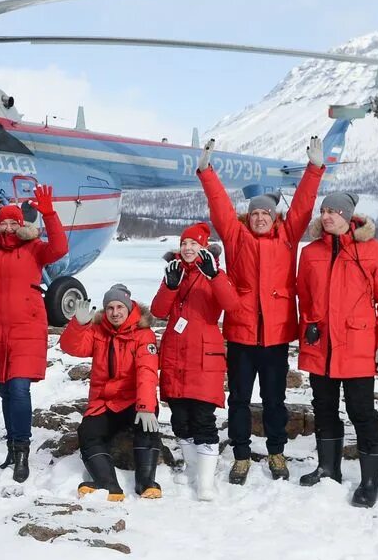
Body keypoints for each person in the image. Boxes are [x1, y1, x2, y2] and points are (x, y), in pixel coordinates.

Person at [197, 136, 325, 484]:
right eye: (253, 213)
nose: (258, 219)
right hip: (240, 332)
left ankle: (276, 451)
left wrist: (314, 169)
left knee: (274, 398)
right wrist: (206, 172)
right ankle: (240, 453)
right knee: (239, 398)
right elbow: (220, 206)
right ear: (247, 216)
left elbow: (302, 206)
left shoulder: (287, 237)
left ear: (274, 216)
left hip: (277, 334)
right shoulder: (235, 238)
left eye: (264, 214)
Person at [294, 191, 378, 507]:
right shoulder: (310, 252)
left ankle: (369, 483)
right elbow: (303, 295)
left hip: (358, 345)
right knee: (323, 407)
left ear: (349, 215)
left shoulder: (374, 250)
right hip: (320, 346)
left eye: (334, 211)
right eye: (324, 210)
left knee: (362, 411)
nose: (327, 216)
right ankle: (328, 469)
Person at [0, 184, 69, 482]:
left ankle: (22, 451)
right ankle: (11, 448)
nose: (8, 227)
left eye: (13, 222)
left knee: (20, 388)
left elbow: (59, 248)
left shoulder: (34, 249)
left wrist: (49, 214)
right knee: (6, 391)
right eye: (3, 222)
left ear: (21, 225)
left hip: (27, 327)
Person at [149, 223, 237, 501]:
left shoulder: (215, 273)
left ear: (203, 247)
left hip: (204, 354)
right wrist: (169, 286)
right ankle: (192, 468)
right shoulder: (173, 273)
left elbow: (232, 306)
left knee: (203, 418)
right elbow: (158, 311)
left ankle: (206, 482)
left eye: (194, 244)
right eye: (184, 243)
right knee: (180, 418)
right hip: (176, 354)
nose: (188, 248)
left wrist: (215, 277)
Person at [61, 284, 162, 500]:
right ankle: (108, 484)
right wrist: (78, 325)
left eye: (119, 307)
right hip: (105, 402)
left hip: (134, 400)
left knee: (147, 428)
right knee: (89, 432)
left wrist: (146, 406)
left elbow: (147, 371)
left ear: (128, 307)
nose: (115, 313)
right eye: (110, 308)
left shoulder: (144, 334)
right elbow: (73, 348)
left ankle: (146, 483)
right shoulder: (97, 331)